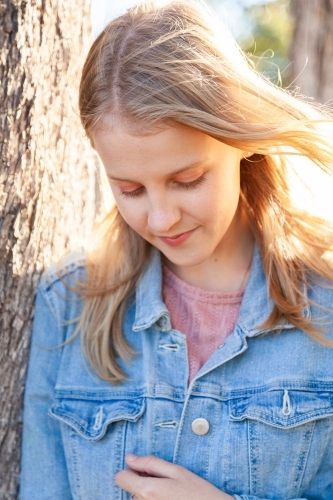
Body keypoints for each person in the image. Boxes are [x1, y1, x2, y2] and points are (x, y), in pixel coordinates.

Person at [20, 1, 333, 499]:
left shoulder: (327, 312)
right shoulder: (67, 307)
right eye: (131, 190)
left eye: (187, 180)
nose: (162, 219)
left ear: (237, 139)